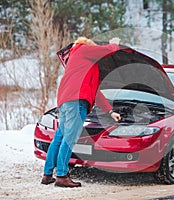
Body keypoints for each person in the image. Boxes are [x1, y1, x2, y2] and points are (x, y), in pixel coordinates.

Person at [41, 36, 121, 187]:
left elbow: (95, 92)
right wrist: (114, 44)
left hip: (66, 102)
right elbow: (104, 51)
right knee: (69, 138)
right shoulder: (82, 49)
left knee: (59, 138)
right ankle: (62, 176)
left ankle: (47, 174)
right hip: (76, 102)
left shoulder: (80, 64)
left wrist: (110, 111)